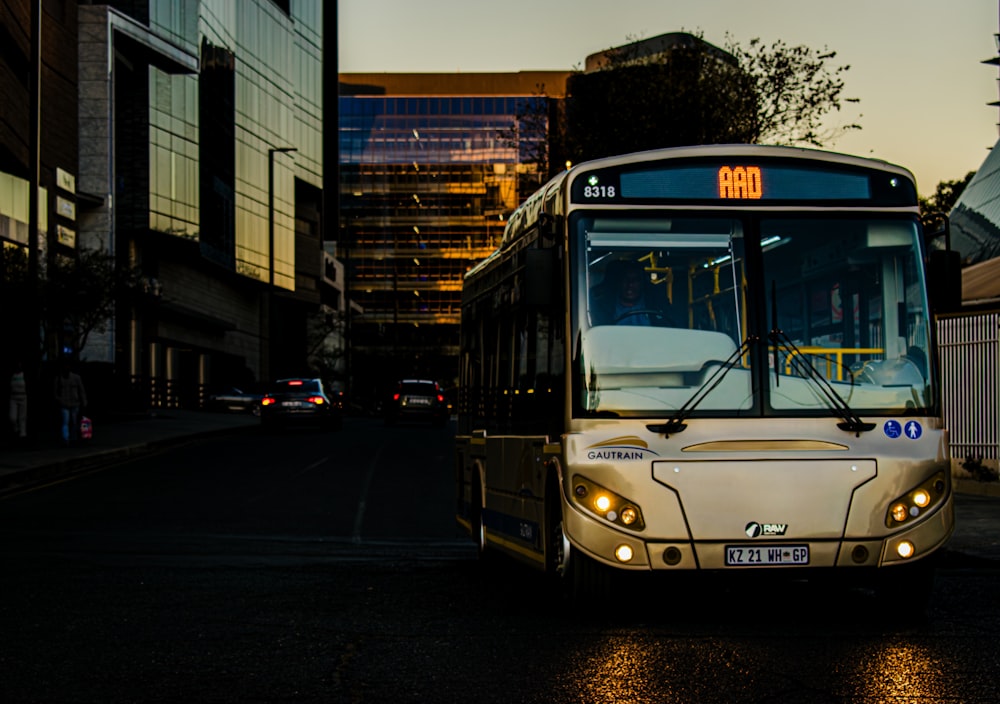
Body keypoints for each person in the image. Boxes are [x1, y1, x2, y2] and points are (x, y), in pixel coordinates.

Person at [591, 259, 671, 326]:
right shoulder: (603, 308)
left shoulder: (657, 305)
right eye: (625, 279)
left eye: (635, 280)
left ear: (642, 283)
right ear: (618, 282)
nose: (630, 284)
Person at [53, 358, 87, 446]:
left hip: (75, 403)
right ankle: (66, 438)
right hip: (65, 404)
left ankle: (72, 437)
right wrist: (59, 399)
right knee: (66, 421)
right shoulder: (59, 379)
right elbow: (55, 392)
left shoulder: (76, 378)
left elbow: (81, 390)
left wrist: (84, 401)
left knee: (74, 422)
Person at [9, 360, 28, 440]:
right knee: (12, 417)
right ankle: (16, 428)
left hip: (23, 397)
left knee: (22, 417)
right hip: (13, 397)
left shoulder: (24, 375)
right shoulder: (12, 375)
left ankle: (22, 435)